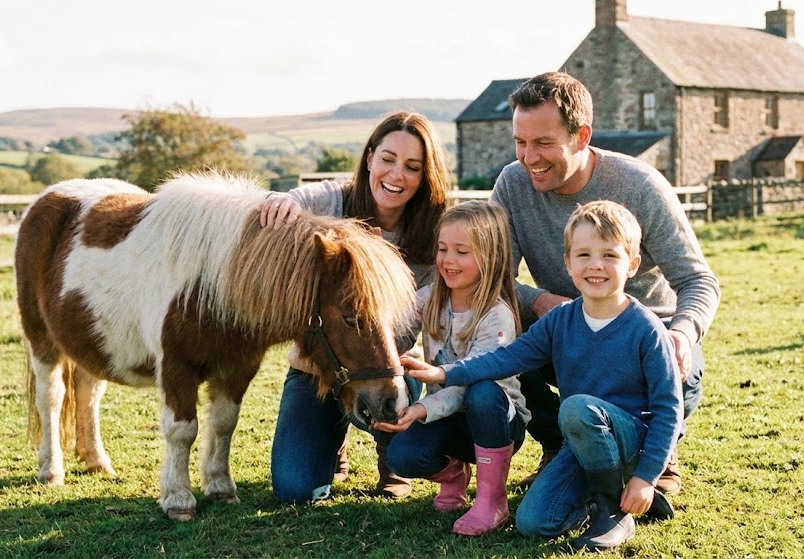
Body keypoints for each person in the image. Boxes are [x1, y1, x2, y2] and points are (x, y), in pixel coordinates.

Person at [404, 200, 682, 551]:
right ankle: (602, 495)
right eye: (583, 255)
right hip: (581, 441)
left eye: (609, 255)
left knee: (577, 408)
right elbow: (504, 359)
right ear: (567, 262)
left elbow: (669, 408)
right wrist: (443, 371)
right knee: (534, 522)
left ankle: (614, 511)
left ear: (633, 265)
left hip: (630, 441)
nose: (595, 265)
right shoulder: (560, 321)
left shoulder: (646, 329)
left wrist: (646, 475)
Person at [493, 71, 720, 494]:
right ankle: (560, 444)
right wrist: (541, 299)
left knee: (679, 374)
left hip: (645, 334)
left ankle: (656, 450)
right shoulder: (511, 184)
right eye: (520, 143)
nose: (528, 158)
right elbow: (493, 279)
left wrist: (683, 335)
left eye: (543, 143)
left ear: (581, 136)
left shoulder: (640, 185)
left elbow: (698, 280)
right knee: (497, 340)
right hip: (568, 331)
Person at [262, 111, 452, 503]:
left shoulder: (436, 230)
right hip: (314, 369)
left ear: (425, 175)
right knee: (296, 490)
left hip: (388, 364)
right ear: (369, 158)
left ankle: (392, 459)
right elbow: (287, 200)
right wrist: (276, 201)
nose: (396, 175)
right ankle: (334, 438)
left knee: (402, 386)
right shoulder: (332, 201)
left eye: (412, 167)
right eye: (387, 159)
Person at [373, 201, 529, 536]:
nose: (448, 260)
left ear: (489, 258)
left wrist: (420, 407)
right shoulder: (429, 299)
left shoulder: (496, 315)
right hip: (447, 419)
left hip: (498, 422)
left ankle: (492, 499)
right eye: (443, 249)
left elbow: (468, 383)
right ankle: (454, 474)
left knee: (483, 391)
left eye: (462, 251)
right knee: (402, 457)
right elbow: (392, 328)